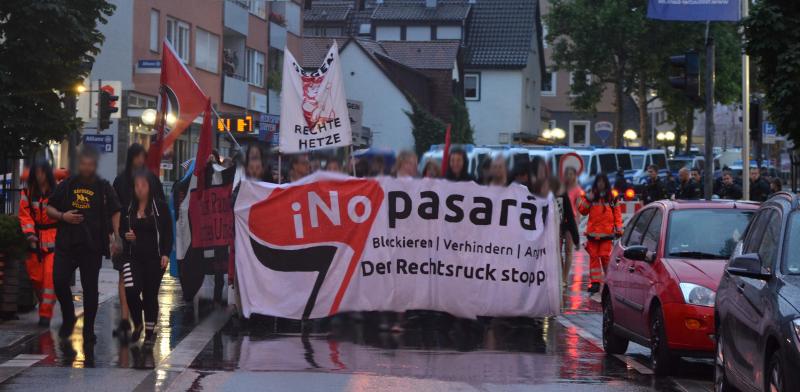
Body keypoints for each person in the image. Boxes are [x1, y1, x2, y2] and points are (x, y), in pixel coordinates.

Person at [47, 146, 121, 342]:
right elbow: (49, 207)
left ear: (94, 166)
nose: (87, 168)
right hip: (67, 243)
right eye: (83, 164)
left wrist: (117, 238)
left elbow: (115, 211)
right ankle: (69, 316)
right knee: (59, 281)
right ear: (79, 165)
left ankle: (88, 329)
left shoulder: (103, 186)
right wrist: (63, 216)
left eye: (90, 165)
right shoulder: (68, 184)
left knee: (90, 289)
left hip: (92, 245)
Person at [112, 143, 165, 339]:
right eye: (137, 156)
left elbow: (161, 209)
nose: (140, 160)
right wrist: (116, 236)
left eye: (143, 156)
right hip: (127, 238)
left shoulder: (152, 180)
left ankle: (143, 322)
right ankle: (126, 320)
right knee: (125, 281)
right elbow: (115, 208)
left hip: (149, 242)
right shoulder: (120, 181)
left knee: (148, 290)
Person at [120, 170, 173, 344]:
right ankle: (138, 323)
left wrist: (165, 253)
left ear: (150, 187)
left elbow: (167, 233)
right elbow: (122, 229)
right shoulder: (128, 208)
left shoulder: (160, 207)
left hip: (154, 258)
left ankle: (149, 332)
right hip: (132, 257)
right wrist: (125, 235)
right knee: (131, 290)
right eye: (137, 186)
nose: (140, 189)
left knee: (150, 295)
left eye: (144, 185)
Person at [19, 159, 58, 327]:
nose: (40, 176)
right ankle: (45, 303)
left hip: (53, 237)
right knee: (36, 278)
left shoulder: (56, 190)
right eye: (37, 172)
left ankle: (45, 315)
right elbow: (24, 213)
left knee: (49, 279)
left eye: (42, 172)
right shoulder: (28, 191)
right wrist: (30, 234)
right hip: (34, 240)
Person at [577, 173, 622, 294]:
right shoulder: (591, 195)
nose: (600, 184)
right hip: (593, 234)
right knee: (594, 258)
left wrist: (619, 229)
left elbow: (617, 213)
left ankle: (609, 281)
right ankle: (595, 283)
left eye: (602, 181)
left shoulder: (611, 196)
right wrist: (588, 199)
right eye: (598, 181)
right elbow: (582, 211)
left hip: (606, 234)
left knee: (605, 257)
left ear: (605, 182)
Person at [551, 177, 579, 287]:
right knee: (557, 253)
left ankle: (564, 278)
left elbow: (570, 216)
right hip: (555, 227)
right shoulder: (548, 196)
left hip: (567, 225)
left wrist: (576, 237)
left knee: (568, 251)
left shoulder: (565, 195)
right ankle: (561, 275)